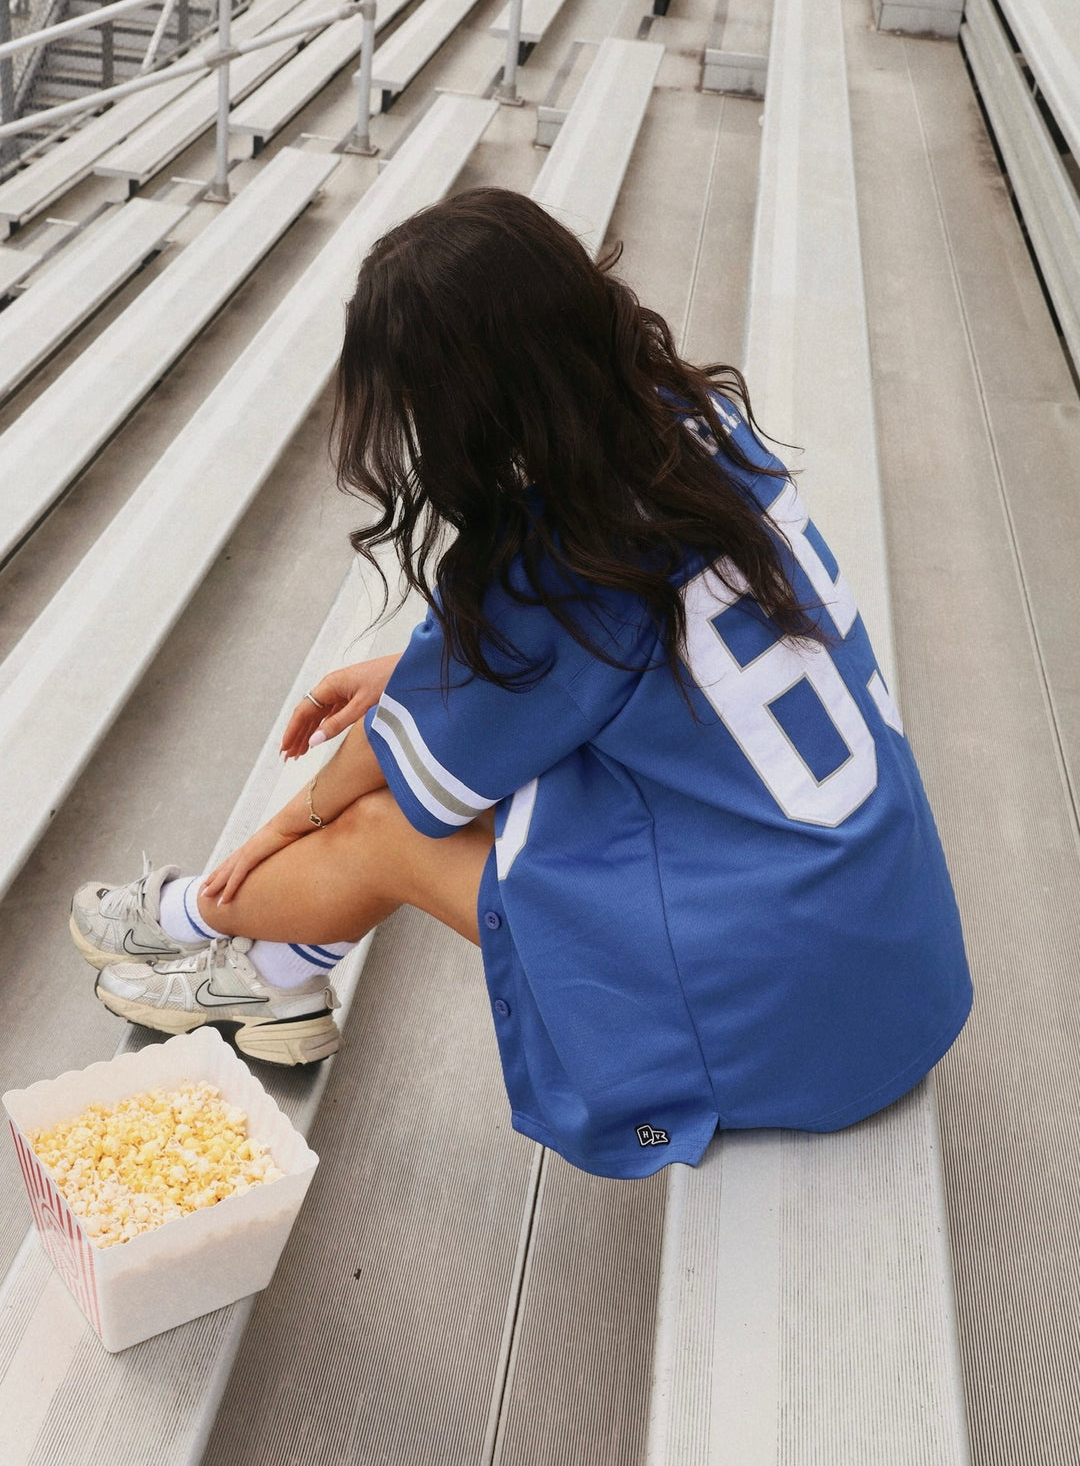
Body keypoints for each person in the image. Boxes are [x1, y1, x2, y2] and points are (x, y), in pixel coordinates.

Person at [69, 188, 972, 1179]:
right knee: (505, 780)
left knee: (386, 830)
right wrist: (413, 678)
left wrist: (281, 827)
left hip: (783, 1001)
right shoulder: (692, 418)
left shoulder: (561, 567)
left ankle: (187, 922)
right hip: (882, 932)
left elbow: (426, 772)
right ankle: (281, 971)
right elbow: (601, 658)